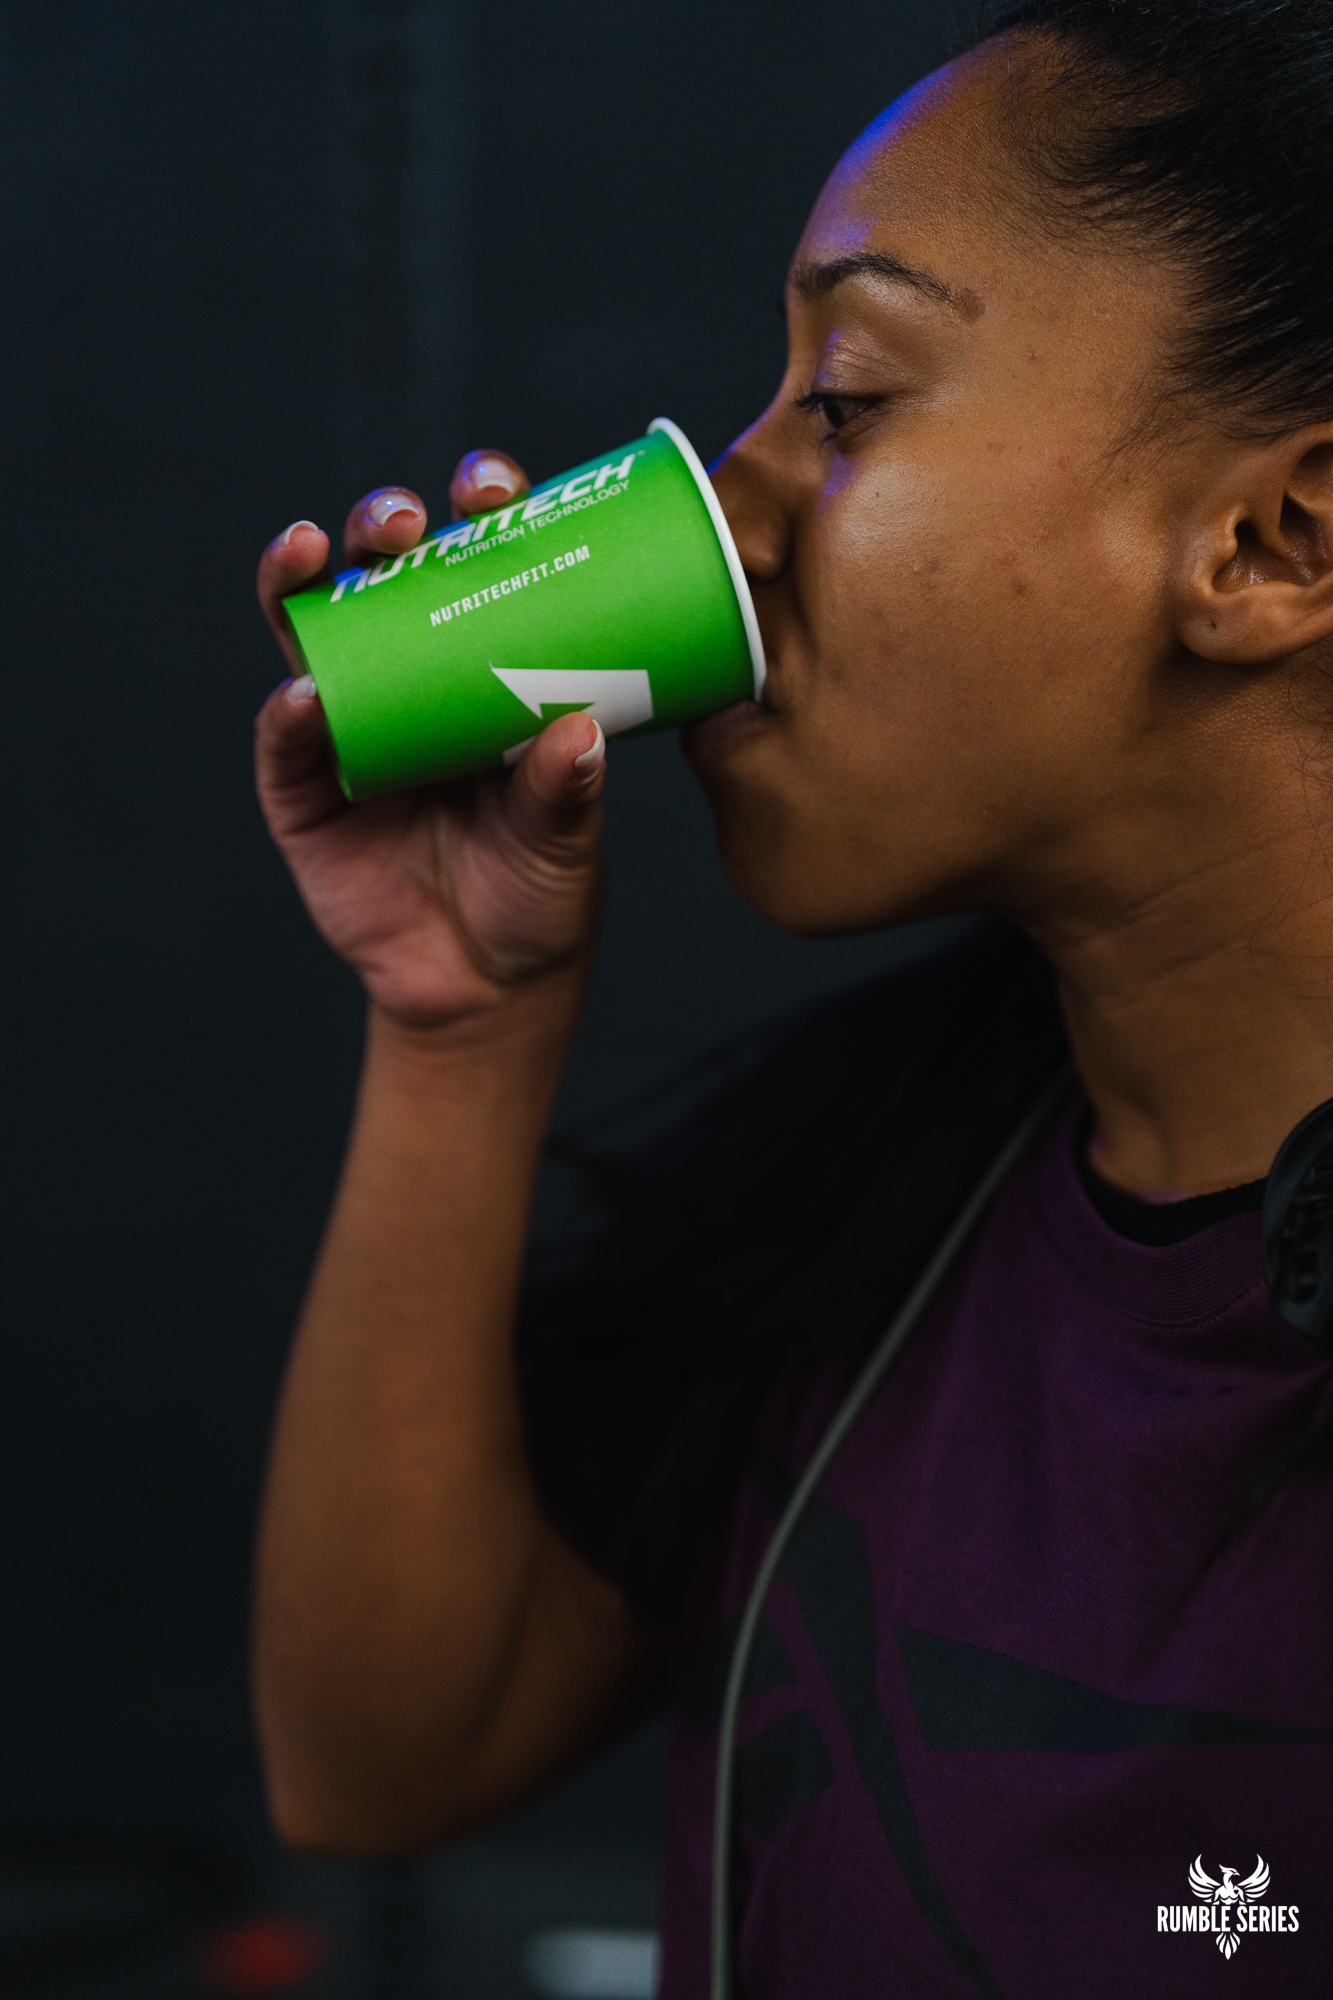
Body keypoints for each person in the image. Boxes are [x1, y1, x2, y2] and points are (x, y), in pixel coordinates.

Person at [250, 2, 1332, 1991]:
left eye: (842, 400)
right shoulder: (887, 1184)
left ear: (1276, 540)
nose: (725, 509)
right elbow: (378, 1759)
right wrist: (455, 1024)